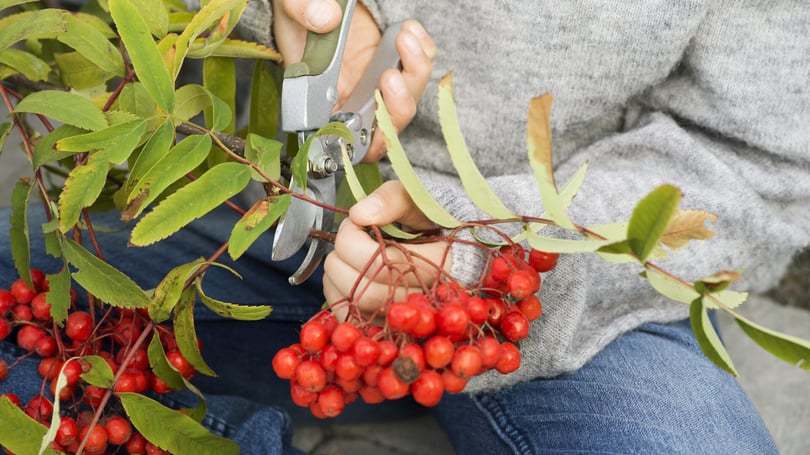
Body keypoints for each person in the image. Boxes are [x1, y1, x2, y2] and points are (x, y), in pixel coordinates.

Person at [2, 0, 808, 453]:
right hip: (264, 207)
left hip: (560, 283)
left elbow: (756, 165)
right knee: (33, 314)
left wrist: (482, 244)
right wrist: (276, 13)